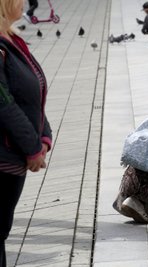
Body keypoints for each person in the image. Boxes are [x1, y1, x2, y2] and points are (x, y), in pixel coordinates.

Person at [0, 0, 52, 265]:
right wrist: (32, 147)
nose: (24, 2)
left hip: (14, 156)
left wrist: (44, 136)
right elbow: (4, 103)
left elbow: (33, 95)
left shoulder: (11, 38)